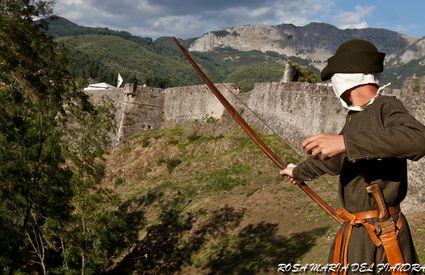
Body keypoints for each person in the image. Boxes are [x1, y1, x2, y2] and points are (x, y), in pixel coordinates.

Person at [280, 39, 425, 274]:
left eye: (333, 77)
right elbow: (336, 159)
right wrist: (297, 171)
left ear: (346, 77)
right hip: (357, 233)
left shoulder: (386, 106)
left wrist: (345, 142)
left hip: (383, 232)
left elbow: (418, 140)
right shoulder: (355, 116)